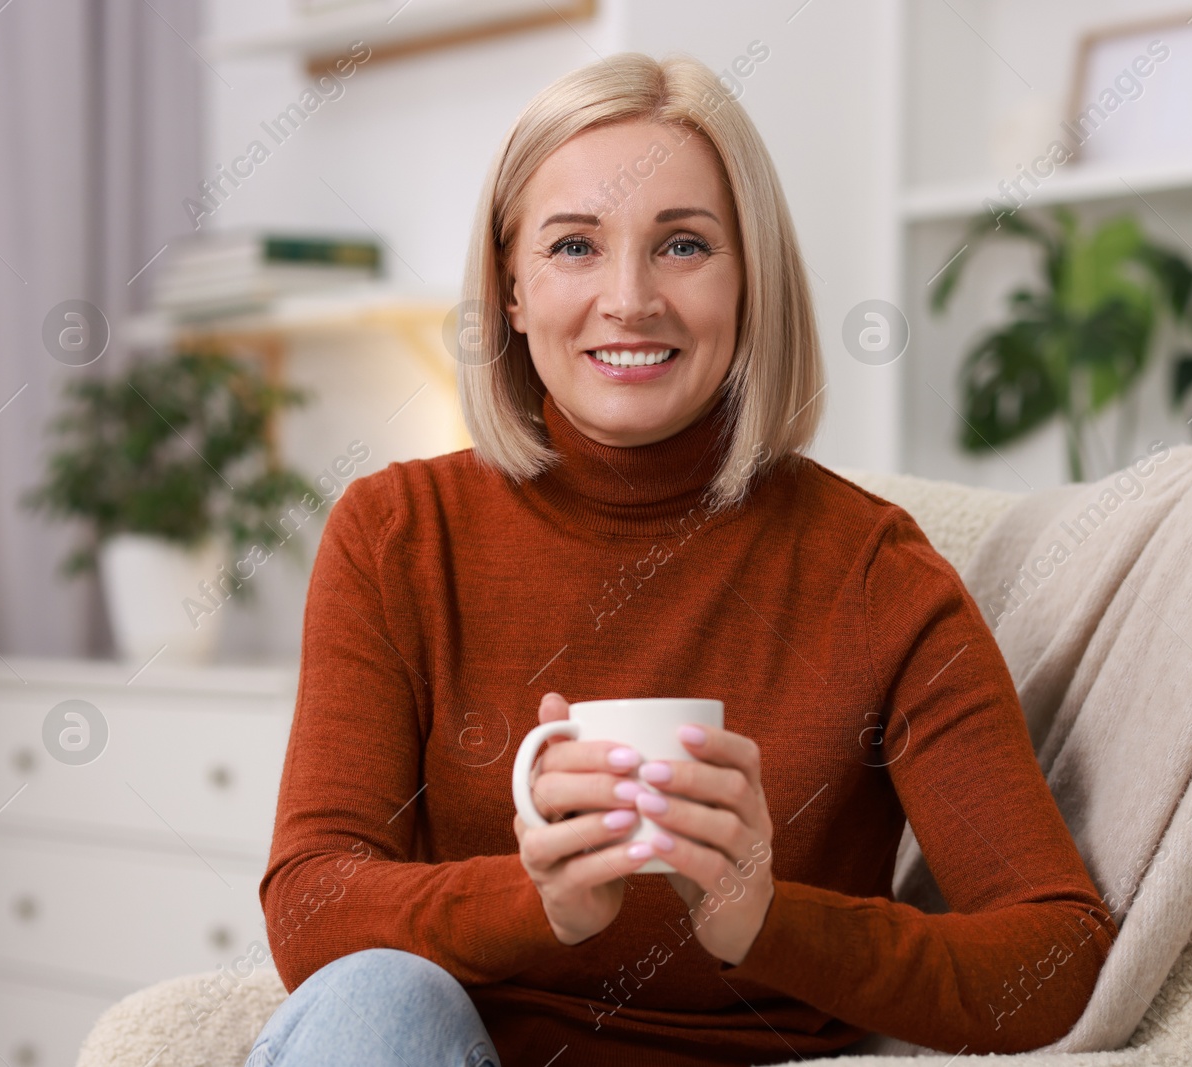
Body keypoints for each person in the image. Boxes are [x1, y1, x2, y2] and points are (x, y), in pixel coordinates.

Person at [248, 50, 1116, 1067]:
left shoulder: (871, 568)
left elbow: (1052, 953)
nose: (629, 298)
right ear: (512, 287)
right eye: (574, 245)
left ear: (750, 282)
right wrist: (531, 900)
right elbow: (310, 902)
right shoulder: (398, 532)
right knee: (376, 1001)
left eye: (684, 246)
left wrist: (767, 917)